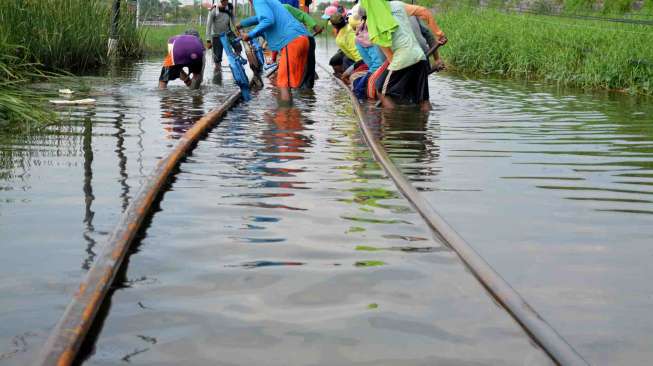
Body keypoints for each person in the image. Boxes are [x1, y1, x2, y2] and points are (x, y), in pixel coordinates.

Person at [361, 0, 445, 109]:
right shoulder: (397, 5)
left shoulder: (372, 23)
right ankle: (425, 123)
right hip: (420, 56)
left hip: (401, 60)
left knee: (381, 90)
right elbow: (424, 11)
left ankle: (392, 123)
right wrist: (439, 33)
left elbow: (390, 57)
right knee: (423, 100)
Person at [238, 0, 310, 102]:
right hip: (301, 39)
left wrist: (250, 34)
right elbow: (260, 18)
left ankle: (285, 115)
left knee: (283, 84)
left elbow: (267, 20)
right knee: (286, 83)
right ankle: (289, 114)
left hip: (292, 41)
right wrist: (242, 24)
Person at [327, 13, 363, 77]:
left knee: (343, 60)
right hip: (353, 56)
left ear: (334, 25)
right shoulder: (347, 28)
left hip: (359, 60)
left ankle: (346, 77)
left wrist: (351, 70)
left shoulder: (345, 36)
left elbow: (358, 56)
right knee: (338, 60)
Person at [206, 0, 236, 73]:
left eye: (226, 1)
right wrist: (208, 40)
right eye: (222, 1)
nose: (224, 2)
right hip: (216, 36)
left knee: (238, 46)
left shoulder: (230, 7)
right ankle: (217, 72)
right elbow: (208, 26)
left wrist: (237, 29)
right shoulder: (213, 10)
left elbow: (233, 19)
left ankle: (236, 64)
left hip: (228, 33)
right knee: (217, 58)